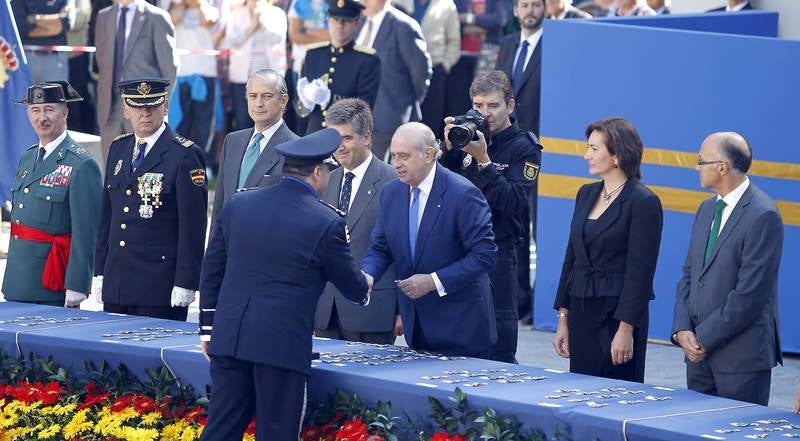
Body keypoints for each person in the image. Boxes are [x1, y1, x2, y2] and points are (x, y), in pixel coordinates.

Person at [198, 128, 371, 441]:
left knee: (220, 432)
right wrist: (366, 284)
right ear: (317, 172)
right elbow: (351, 286)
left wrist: (208, 328)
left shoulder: (239, 204)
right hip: (280, 347)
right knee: (277, 433)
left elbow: (212, 269)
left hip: (230, 337)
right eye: (327, 172)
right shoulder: (326, 221)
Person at [362, 122, 497, 357]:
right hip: (417, 327)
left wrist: (433, 282)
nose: (396, 164)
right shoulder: (391, 193)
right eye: (393, 156)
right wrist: (368, 275)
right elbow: (381, 246)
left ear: (429, 155)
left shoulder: (463, 194)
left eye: (404, 157)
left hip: (462, 328)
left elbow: (484, 255)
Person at [672, 132, 783, 406]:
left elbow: (750, 296)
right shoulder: (706, 209)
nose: (696, 167)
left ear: (721, 167)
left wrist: (702, 339)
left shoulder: (763, 215)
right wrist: (682, 330)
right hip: (698, 358)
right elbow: (689, 275)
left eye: (701, 161)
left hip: (740, 360)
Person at [441, 71, 541, 363]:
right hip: (458, 248)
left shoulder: (525, 147)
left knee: (498, 338)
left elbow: (514, 203)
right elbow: (442, 189)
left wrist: (484, 161)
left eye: (493, 106)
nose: (485, 114)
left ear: (510, 106)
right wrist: (447, 151)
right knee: (457, 332)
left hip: (498, 250)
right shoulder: (464, 136)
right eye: (478, 106)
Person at [552, 117, 663, 383]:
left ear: (617, 155)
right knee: (580, 392)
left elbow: (641, 273)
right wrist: (563, 318)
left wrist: (626, 329)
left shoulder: (644, 202)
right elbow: (572, 257)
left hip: (616, 317)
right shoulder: (586, 193)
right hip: (580, 310)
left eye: (594, 149)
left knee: (615, 394)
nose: (586, 155)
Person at [93, 79, 208, 321]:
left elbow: (193, 226)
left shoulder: (184, 154)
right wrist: (100, 271)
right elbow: (107, 216)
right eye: (137, 107)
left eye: (152, 107)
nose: (144, 114)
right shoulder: (119, 148)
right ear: (126, 110)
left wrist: (186, 281)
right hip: (118, 282)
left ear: (165, 106)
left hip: (158, 286)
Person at [2, 82, 102, 307]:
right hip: (17, 281)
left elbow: (86, 232)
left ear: (65, 112)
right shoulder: (27, 158)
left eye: (49, 109)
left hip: (51, 282)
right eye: (35, 110)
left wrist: (77, 284)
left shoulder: (81, 164)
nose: (42, 118)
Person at [314, 99, 400, 344]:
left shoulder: (393, 182)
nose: (339, 147)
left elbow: (402, 249)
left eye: (347, 138)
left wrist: (402, 310)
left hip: (373, 313)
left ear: (367, 137)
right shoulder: (325, 180)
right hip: (325, 312)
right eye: (334, 138)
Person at [210, 69, 299, 230]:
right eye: (253, 96)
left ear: (283, 101)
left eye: (267, 96)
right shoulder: (232, 141)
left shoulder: (296, 149)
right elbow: (219, 207)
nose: (258, 103)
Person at [95, 0, 178, 167]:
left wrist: (158, 108)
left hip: (145, 110)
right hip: (109, 109)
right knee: (112, 172)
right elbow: (101, 61)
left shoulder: (157, 17)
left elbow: (170, 68)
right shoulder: (104, 16)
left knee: (147, 171)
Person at [356, 0, 432, 159]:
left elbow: (420, 73)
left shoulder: (403, 25)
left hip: (390, 120)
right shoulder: (359, 22)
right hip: (358, 120)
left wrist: (404, 105)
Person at [298, 0, 380, 133]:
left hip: (344, 137)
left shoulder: (367, 60)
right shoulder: (313, 55)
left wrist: (328, 100)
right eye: (335, 19)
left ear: (356, 23)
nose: (340, 25)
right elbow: (300, 109)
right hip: (314, 133)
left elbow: (364, 109)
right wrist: (306, 102)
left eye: (346, 21)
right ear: (329, 20)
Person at [223, 0, 288, 131]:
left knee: (272, 118)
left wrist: (262, 23)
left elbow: (278, 38)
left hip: (271, 79)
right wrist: (252, 25)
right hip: (243, 78)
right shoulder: (236, 15)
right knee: (243, 120)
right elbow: (232, 41)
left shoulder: (277, 14)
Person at [496, 0, 544, 136]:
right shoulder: (507, 43)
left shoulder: (552, 45)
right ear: (515, 10)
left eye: (536, 5)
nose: (530, 10)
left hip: (539, 133)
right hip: (508, 132)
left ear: (545, 9)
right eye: (524, 5)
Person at [418, 0, 461, 138]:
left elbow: (454, 41)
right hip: (403, 73)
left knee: (432, 122)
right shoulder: (399, 2)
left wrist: (445, 65)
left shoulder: (446, 5)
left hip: (435, 71)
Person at [11, 0, 72, 83]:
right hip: (28, 59)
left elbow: (66, 23)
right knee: (26, 95)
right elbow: (21, 27)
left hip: (55, 60)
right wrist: (55, 20)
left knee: (55, 95)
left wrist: (35, 18)